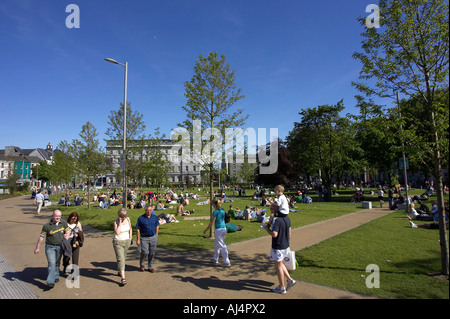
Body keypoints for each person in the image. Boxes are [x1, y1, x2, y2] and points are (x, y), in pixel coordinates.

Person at [264, 203, 296, 294]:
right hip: (285, 245)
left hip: (278, 246)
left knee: (278, 266)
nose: (270, 209)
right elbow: (289, 232)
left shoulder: (277, 220)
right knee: (280, 263)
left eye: (272, 208)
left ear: (277, 209)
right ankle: (290, 280)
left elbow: (274, 234)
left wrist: (267, 229)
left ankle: (282, 287)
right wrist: (287, 243)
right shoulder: (287, 218)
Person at [34, 210, 70, 289]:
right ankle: (50, 281)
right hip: (50, 247)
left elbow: (67, 231)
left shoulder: (63, 223)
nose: (58, 218)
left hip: (60, 246)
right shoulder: (47, 226)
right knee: (51, 263)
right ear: (53, 216)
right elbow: (41, 237)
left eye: (59, 216)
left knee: (57, 262)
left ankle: (56, 276)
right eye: (56, 216)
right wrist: (37, 247)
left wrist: (66, 236)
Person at [203, 199, 230, 267]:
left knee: (222, 245)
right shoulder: (222, 210)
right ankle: (215, 258)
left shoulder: (215, 212)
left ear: (214, 204)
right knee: (217, 244)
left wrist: (206, 230)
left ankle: (226, 260)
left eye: (212, 204)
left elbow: (211, 223)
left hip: (219, 230)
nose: (212, 206)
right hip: (223, 228)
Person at [136, 205, 160, 273]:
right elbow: (138, 229)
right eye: (147, 210)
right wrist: (138, 239)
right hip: (144, 238)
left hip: (153, 237)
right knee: (145, 252)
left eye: (150, 210)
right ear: (145, 210)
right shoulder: (141, 218)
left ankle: (150, 266)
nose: (148, 212)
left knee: (152, 252)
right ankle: (142, 264)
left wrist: (156, 235)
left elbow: (157, 225)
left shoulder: (154, 217)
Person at [113, 208, 132, 286]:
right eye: (121, 216)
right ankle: (123, 278)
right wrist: (120, 224)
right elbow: (117, 232)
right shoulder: (116, 222)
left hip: (126, 241)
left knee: (123, 258)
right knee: (121, 259)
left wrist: (130, 237)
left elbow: (130, 228)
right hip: (118, 242)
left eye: (124, 216)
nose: (123, 218)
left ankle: (119, 270)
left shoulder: (128, 220)